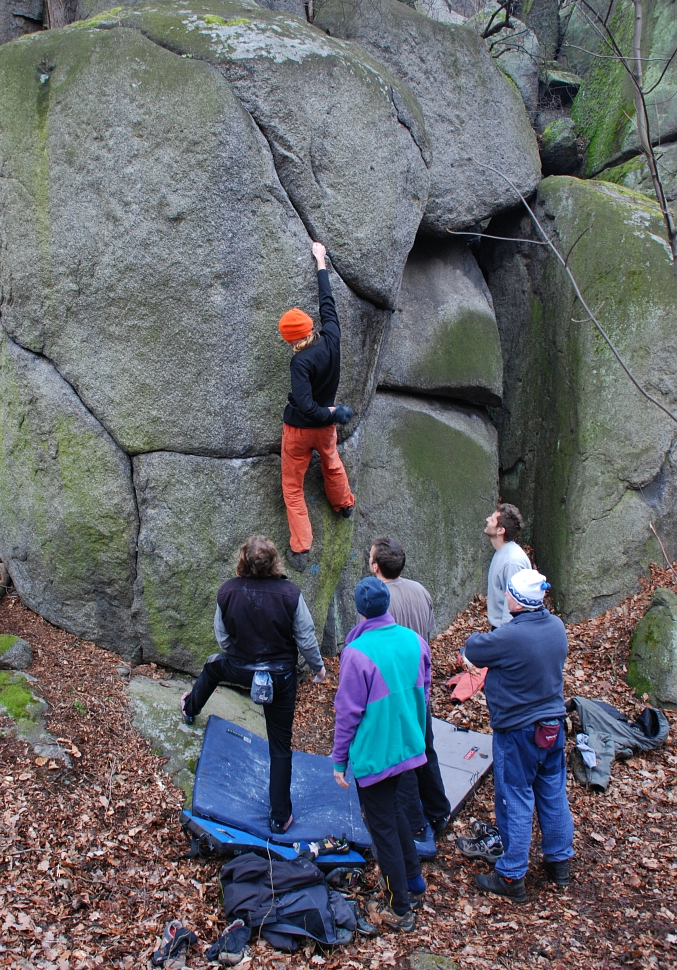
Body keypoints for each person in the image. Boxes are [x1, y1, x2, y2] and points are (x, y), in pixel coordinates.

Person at [180, 535, 326, 835]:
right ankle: (280, 817)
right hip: (281, 678)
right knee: (280, 746)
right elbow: (306, 638)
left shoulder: (228, 591)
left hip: (241, 668)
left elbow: (222, 637)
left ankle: (189, 707)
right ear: (275, 562)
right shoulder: (290, 593)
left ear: (242, 561)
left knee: (212, 667)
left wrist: (240, 652)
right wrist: (318, 668)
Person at [458, 568, 574, 902]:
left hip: (518, 733)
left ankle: (511, 876)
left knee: (515, 797)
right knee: (552, 793)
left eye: (509, 593)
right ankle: (559, 862)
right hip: (552, 727)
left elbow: (474, 647)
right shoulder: (556, 627)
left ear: (520, 602)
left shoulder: (510, 638)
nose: (504, 597)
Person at [332, 576, 430, 933]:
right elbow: (426, 689)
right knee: (396, 812)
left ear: (359, 610)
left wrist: (339, 760)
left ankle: (398, 906)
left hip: (375, 753)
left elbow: (347, 713)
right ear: (387, 603)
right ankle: (414, 881)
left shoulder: (356, 654)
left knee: (382, 826)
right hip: (408, 745)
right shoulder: (415, 641)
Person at [367, 536, 451, 840]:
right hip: (419, 685)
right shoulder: (420, 591)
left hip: (393, 689)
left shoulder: (375, 600)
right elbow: (426, 634)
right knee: (425, 748)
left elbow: (371, 648)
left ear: (375, 566)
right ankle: (439, 812)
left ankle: (414, 824)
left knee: (400, 757)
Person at [279, 241, 355, 573]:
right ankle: (344, 505)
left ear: (293, 340)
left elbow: (306, 405)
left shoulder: (300, 363)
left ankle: (301, 546)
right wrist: (320, 261)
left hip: (299, 429)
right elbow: (328, 302)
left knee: (292, 485)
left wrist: (329, 413)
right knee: (332, 462)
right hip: (325, 429)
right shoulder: (332, 338)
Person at [484, 503, 530, 628]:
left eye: (492, 519)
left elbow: (513, 608)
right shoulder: (502, 553)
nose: (487, 519)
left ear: (500, 530)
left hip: (507, 631)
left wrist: (503, 638)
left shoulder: (512, 562)